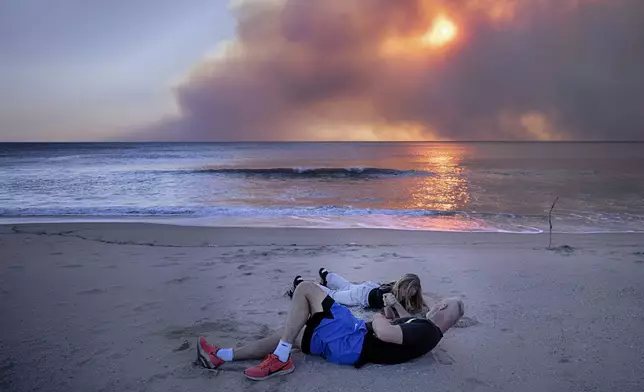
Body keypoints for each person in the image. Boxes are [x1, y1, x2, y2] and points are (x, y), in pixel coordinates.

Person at [197, 281, 464, 381]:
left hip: (355, 338)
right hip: (348, 349)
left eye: (439, 303)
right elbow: (404, 328)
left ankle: (279, 359)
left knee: (306, 289)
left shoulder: (426, 331)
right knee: (288, 336)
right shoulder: (429, 332)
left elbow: (387, 334)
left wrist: (382, 317)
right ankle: (221, 356)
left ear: (440, 307)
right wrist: (395, 313)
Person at [287, 268, 427, 315]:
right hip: (362, 296)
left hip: (368, 288)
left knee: (347, 286)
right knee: (333, 295)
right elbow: (393, 314)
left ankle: (327, 276)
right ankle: (301, 285)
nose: (407, 294)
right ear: (401, 285)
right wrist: (396, 305)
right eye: (406, 290)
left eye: (412, 293)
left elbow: (421, 300)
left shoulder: (395, 287)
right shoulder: (390, 295)